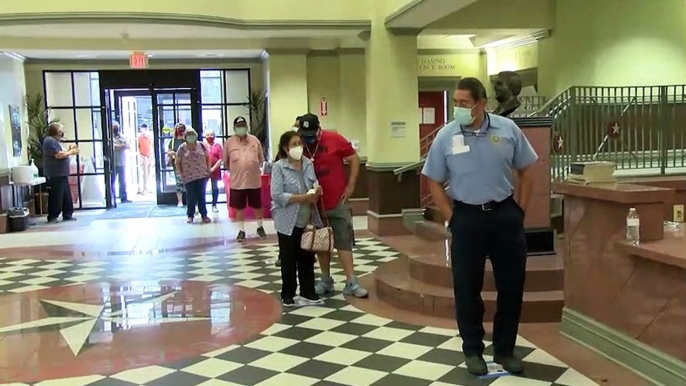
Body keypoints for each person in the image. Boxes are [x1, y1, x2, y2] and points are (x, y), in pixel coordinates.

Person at [421, 77, 538, 376]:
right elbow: (433, 179)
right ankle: (472, 349)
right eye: (456, 102)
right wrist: (451, 216)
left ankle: (505, 350)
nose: (458, 108)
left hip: (504, 215)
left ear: (481, 103)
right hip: (467, 218)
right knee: (466, 287)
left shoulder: (507, 130)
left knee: (511, 286)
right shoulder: (446, 136)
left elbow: (527, 169)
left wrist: (519, 210)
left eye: (463, 103)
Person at [297, 113, 367, 298]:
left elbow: (354, 159)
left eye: (311, 134)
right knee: (321, 242)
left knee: (343, 239)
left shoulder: (334, 139)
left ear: (319, 129)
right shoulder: (299, 144)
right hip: (314, 204)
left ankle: (351, 281)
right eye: (305, 135)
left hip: (337, 200)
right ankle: (326, 280)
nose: (308, 138)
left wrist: (351, 184)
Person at [271, 131, 324, 307]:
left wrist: (316, 191)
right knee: (288, 258)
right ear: (286, 148)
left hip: (307, 217)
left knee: (307, 257)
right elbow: (277, 195)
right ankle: (288, 293)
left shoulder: (308, 163)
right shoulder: (279, 167)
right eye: (294, 144)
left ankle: (308, 291)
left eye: (299, 143)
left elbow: (314, 183)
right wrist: (302, 198)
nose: (298, 147)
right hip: (287, 220)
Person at [223, 116, 266, 241]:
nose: (241, 128)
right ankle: (241, 230)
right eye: (238, 126)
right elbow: (226, 162)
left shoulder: (254, 140)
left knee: (257, 205)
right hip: (237, 182)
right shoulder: (229, 143)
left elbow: (261, 159)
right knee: (239, 207)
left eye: (243, 125)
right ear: (234, 128)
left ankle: (260, 227)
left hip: (254, 180)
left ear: (246, 127)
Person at [42, 122, 78, 224]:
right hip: (55, 173)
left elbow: (62, 153)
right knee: (56, 196)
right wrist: (71, 152)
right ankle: (53, 216)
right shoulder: (49, 141)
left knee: (66, 195)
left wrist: (69, 150)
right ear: (58, 131)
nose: (63, 132)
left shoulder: (57, 142)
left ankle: (67, 214)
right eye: (61, 130)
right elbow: (58, 155)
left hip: (62, 173)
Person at [175, 128, 212, 224]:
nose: (191, 137)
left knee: (201, 195)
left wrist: (208, 169)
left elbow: (208, 158)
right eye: (188, 135)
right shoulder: (182, 148)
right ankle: (190, 215)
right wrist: (181, 174)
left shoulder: (202, 145)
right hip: (188, 176)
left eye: (192, 135)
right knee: (191, 196)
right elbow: (177, 162)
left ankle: (204, 214)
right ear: (185, 137)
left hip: (202, 175)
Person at [167, 123, 187, 207]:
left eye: (182, 129)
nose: (180, 131)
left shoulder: (187, 139)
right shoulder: (172, 141)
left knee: (189, 182)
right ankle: (180, 201)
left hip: (187, 164)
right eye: (178, 129)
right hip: (177, 164)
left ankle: (190, 199)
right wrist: (172, 153)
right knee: (179, 182)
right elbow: (169, 151)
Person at [111, 122, 131, 204]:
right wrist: (122, 145)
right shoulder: (109, 138)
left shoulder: (122, 136)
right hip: (113, 163)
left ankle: (124, 197)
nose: (116, 129)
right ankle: (112, 198)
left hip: (122, 162)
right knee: (112, 181)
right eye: (114, 127)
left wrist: (121, 145)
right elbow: (113, 147)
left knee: (123, 181)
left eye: (117, 127)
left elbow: (128, 146)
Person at [204, 130, 223, 212]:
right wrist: (206, 169)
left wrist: (212, 169)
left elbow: (220, 159)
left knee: (215, 188)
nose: (210, 136)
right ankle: (201, 206)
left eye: (211, 135)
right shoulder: (203, 146)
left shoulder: (218, 146)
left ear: (214, 136)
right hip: (204, 170)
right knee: (202, 188)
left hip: (215, 170)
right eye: (208, 135)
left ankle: (214, 205)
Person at [137, 123, 153, 195]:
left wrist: (151, 155)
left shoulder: (150, 137)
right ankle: (144, 188)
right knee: (144, 173)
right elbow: (138, 147)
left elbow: (151, 146)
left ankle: (148, 187)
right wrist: (142, 156)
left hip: (149, 156)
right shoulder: (139, 138)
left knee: (149, 173)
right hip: (143, 156)